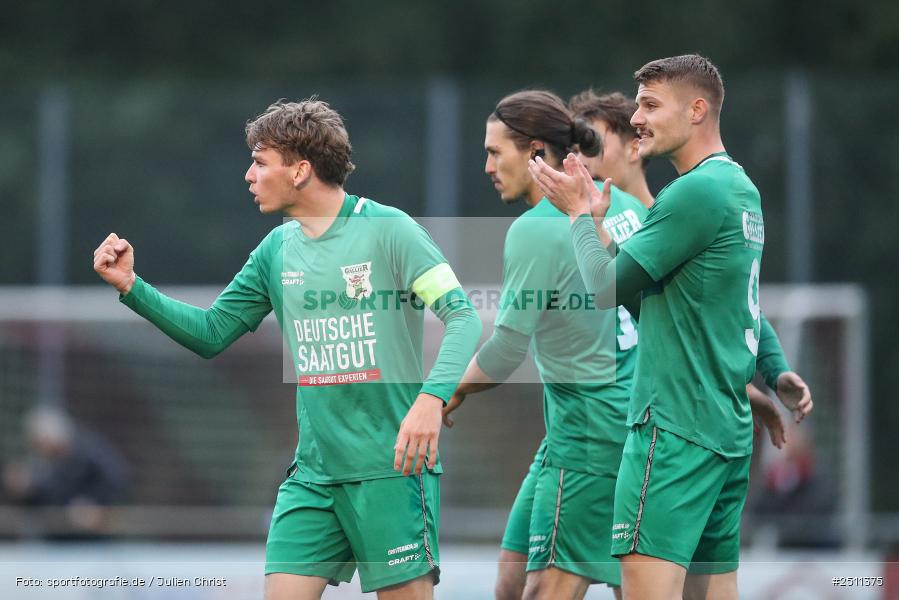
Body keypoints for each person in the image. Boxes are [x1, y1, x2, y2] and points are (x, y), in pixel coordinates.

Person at [92, 99, 482, 600]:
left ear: (299, 170)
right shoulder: (276, 250)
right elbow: (212, 333)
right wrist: (132, 288)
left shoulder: (391, 231)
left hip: (391, 471)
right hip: (313, 477)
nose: (248, 174)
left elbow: (463, 316)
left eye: (260, 161)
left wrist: (430, 400)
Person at [528, 55, 812, 600]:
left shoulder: (693, 193)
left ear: (697, 110)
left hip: (673, 430)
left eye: (651, 104)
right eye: (639, 104)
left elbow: (608, 288)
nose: (638, 117)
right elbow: (722, 303)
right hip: (724, 435)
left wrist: (576, 218)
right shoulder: (739, 190)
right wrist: (775, 370)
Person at [2, 405, 129, 539]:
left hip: (94, 540)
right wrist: (27, 489)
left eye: (39, 443)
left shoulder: (88, 450)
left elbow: (117, 477)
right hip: (59, 539)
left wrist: (93, 503)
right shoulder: (45, 463)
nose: (38, 449)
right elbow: (48, 495)